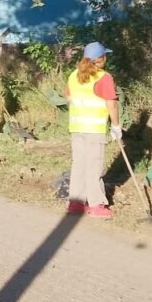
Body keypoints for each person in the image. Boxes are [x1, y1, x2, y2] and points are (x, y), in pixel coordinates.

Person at [64, 42, 121, 218]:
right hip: (94, 129)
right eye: (105, 56)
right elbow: (111, 104)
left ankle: (75, 203)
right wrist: (116, 126)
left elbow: (67, 97)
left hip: (76, 127)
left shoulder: (74, 75)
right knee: (93, 167)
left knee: (79, 165)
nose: (106, 58)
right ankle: (96, 205)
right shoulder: (104, 77)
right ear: (100, 59)